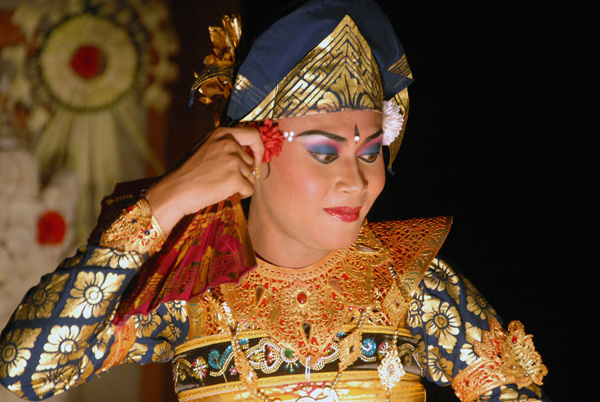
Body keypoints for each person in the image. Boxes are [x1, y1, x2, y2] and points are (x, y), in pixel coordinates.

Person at [0, 1, 549, 401]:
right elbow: (23, 373)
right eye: (324, 154)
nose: (357, 182)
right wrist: (166, 201)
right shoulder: (191, 292)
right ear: (252, 157)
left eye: (371, 151)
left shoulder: (411, 284)